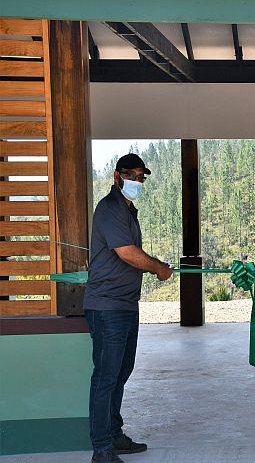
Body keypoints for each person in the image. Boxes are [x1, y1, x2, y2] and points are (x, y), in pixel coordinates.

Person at [84, 153, 173, 463]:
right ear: (116, 176)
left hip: (125, 305)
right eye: (131, 176)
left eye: (140, 177)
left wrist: (157, 266)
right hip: (107, 307)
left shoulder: (127, 210)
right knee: (106, 377)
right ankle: (101, 448)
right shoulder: (110, 208)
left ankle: (114, 434)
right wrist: (158, 267)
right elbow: (127, 253)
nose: (137, 181)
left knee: (121, 372)